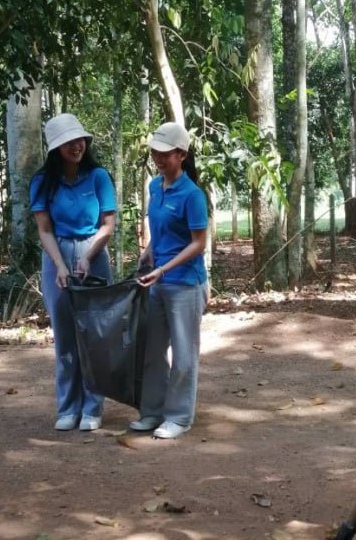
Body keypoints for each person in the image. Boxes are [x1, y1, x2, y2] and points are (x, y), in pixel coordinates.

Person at [30, 113, 116, 432]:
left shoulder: (98, 177)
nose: (76, 146)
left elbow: (108, 224)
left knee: (94, 334)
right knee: (65, 336)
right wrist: (61, 265)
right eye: (67, 143)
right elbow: (44, 229)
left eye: (79, 140)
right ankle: (68, 407)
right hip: (57, 254)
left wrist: (87, 257)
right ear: (55, 149)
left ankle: (93, 407)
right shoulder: (42, 181)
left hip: (93, 252)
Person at [129, 122, 208, 440]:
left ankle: (179, 417)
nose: (157, 159)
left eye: (164, 154)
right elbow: (161, 232)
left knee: (184, 353)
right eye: (154, 153)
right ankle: (152, 412)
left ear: (181, 155)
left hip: (185, 283)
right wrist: (148, 253)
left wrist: (164, 269)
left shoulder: (192, 195)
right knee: (152, 349)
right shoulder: (153, 187)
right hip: (157, 280)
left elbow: (198, 243)